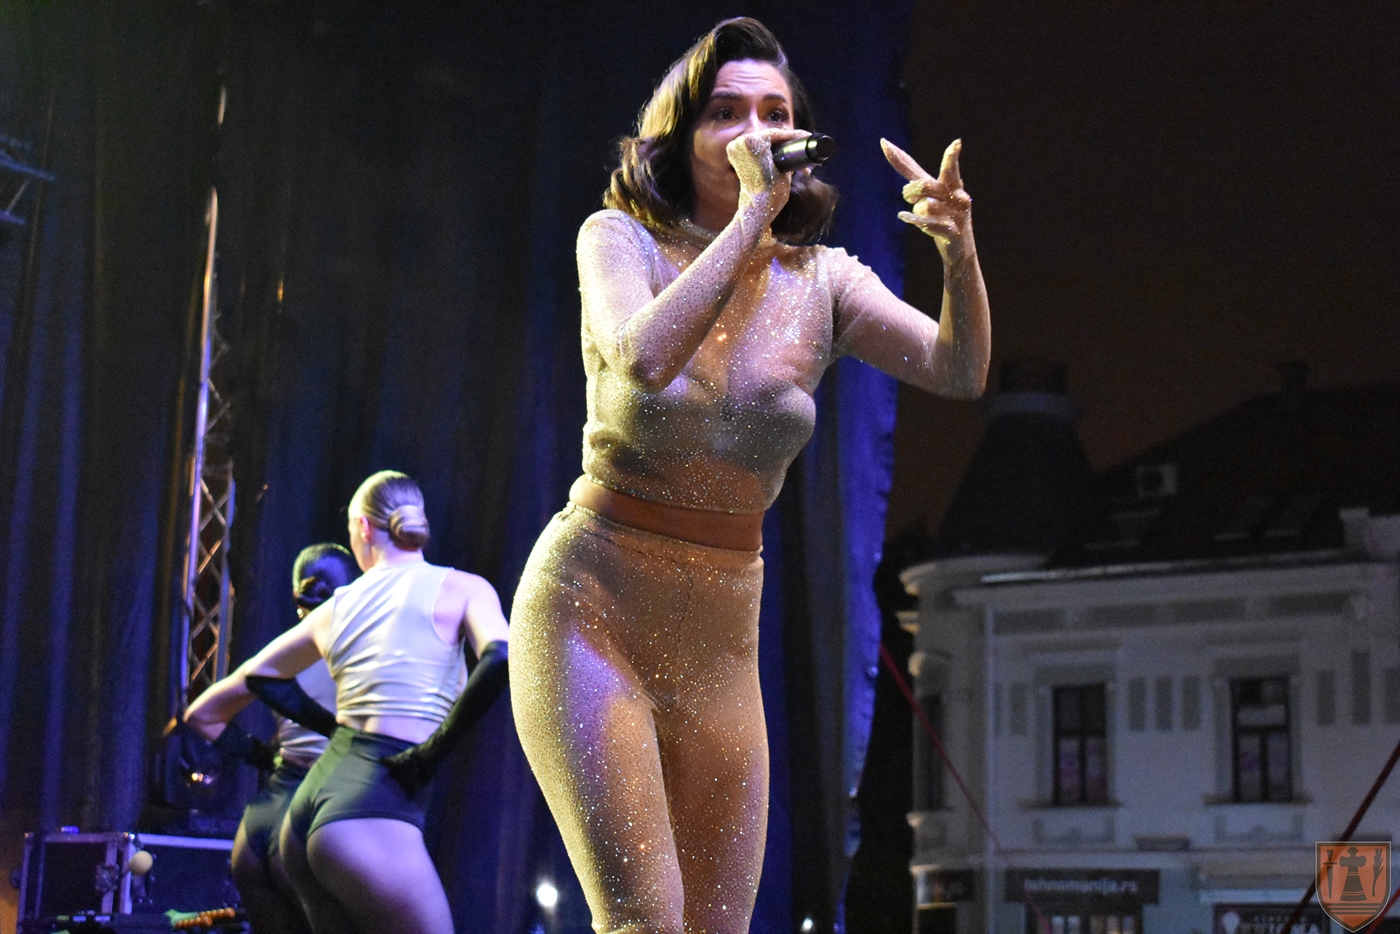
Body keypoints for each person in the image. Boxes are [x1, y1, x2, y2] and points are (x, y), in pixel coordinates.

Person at [509, 16, 990, 934]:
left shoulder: (823, 281)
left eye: (775, 112)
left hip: (723, 632)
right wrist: (747, 221)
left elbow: (958, 370)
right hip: (593, 604)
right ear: (681, 137)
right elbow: (642, 361)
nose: (755, 130)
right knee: (646, 920)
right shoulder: (618, 240)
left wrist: (956, 251)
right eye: (726, 112)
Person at [185, 471, 510, 934]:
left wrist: (331, 728)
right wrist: (432, 753)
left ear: (363, 527)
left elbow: (259, 676)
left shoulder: (336, 607)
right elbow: (499, 656)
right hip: (371, 802)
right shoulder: (464, 588)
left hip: (309, 806)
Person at [198, 543, 358, 934]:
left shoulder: (279, 657)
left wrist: (265, 758)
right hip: (317, 815)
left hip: (262, 820)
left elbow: (200, 716)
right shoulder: (362, 657)